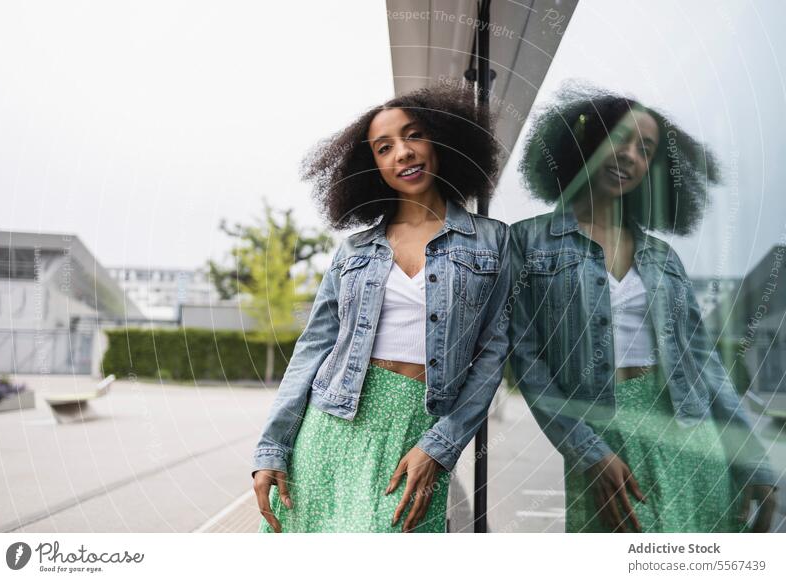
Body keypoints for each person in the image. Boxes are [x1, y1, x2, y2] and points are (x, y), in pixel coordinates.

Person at [507, 86, 778, 533]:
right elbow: (529, 365)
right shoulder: (526, 243)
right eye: (620, 137)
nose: (630, 155)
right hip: (602, 433)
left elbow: (705, 365)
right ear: (588, 140)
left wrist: (754, 461)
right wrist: (588, 451)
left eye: (645, 149)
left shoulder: (662, 257)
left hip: (689, 433)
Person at [251, 85, 511, 533]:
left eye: (414, 136)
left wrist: (440, 445)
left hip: (417, 427)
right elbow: (314, 346)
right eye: (384, 147)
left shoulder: (494, 241)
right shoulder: (353, 251)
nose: (403, 154)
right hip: (329, 425)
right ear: (372, 166)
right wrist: (272, 447)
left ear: (441, 142)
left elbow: (493, 355)